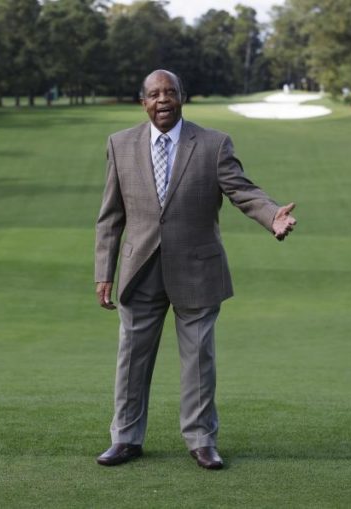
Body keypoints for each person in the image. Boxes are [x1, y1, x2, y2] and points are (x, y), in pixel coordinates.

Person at [94, 69, 297, 470]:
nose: (163, 100)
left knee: (198, 359)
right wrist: (105, 270)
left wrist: (272, 214)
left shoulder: (213, 144)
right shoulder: (119, 145)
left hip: (197, 269)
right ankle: (126, 439)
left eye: (170, 92)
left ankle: (202, 440)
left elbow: (242, 190)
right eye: (154, 94)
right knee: (131, 358)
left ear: (182, 97)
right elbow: (110, 216)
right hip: (140, 269)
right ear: (144, 103)